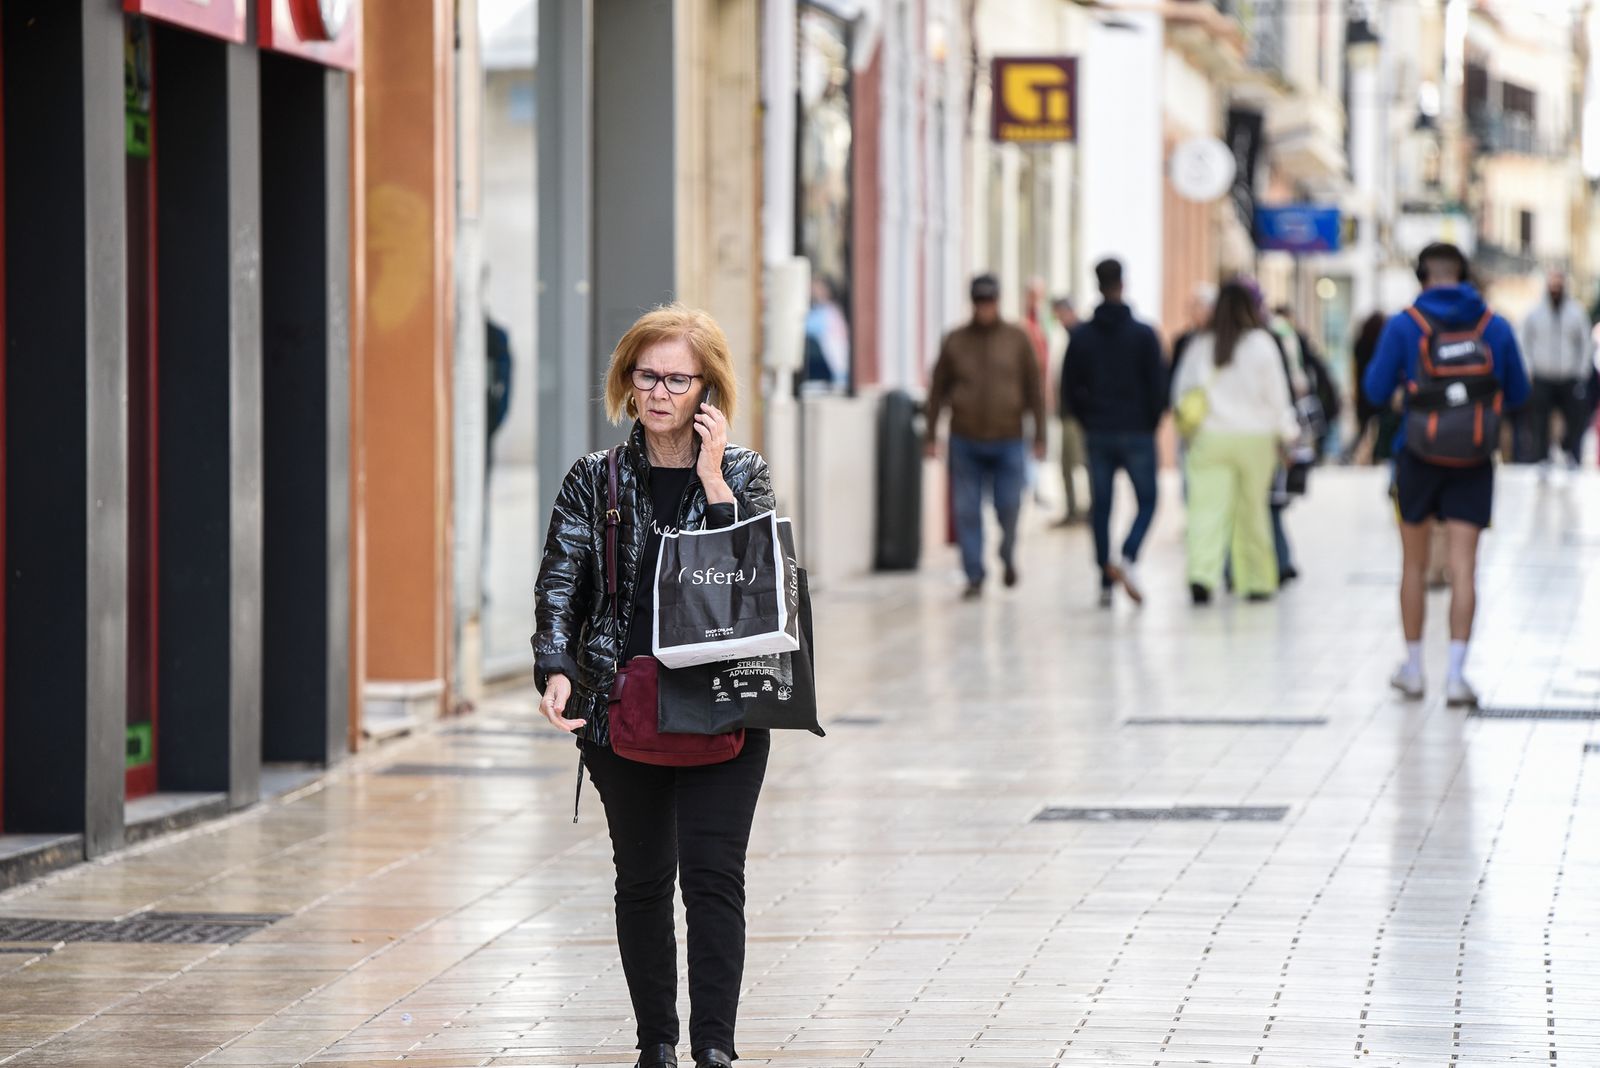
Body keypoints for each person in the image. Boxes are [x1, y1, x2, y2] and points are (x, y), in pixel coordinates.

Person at [533, 305, 776, 1068]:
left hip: (723, 705)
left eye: (677, 378)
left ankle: (714, 1048)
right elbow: (559, 584)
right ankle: (657, 1045)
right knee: (642, 881)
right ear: (628, 381)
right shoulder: (593, 478)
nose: (659, 392)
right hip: (622, 707)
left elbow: (756, 587)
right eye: (647, 376)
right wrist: (556, 666)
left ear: (707, 388)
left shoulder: (744, 474)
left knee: (713, 879)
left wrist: (712, 482)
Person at [1363, 243, 1530, 708]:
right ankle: (1457, 675)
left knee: (1413, 565)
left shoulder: (1404, 325)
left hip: (1415, 456)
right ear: (1465, 275)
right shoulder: (1493, 326)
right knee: (1464, 567)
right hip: (1474, 459)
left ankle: (1414, 669)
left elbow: (1375, 388)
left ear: (1423, 278)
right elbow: (1519, 392)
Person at [1170, 282, 1300, 603]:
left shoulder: (1202, 344)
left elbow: (1181, 392)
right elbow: (1277, 397)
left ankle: (1201, 575)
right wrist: (1288, 436)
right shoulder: (1262, 344)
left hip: (1210, 439)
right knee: (1253, 511)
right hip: (1256, 441)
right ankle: (1256, 580)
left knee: (1205, 511)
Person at [925, 273, 1048, 598]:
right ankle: (974, 574)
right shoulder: (955, 340)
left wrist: (1040, 435)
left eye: (989, 301)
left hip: (1009, 438)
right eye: (979, 302)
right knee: (967, 510)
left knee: (1009, 505)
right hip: (965, 438)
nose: (985, 308)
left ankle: (1006, 554)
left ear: (998, 301)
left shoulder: (1017, 339)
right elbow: (937, 390)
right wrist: (930, 434)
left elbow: (1034, 388)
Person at [1062, 258, 1167, 606]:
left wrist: (1088, 420)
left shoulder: (1081, 337)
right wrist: (1150, 422)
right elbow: (1159, 387)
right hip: (1136, 431)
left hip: (1100, 432)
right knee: (1148, 500)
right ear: (1123, 283)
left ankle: (1105, 579)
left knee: (1102, 508)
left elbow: (1069, 389)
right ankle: (1128, 555)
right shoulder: (1143, 335)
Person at [1519, 269, 1592, 475]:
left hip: (1569, 376)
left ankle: (1571, 454)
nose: (1555, 287)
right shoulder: (1535, 313)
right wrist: (1529, 368)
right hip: (1543, 375)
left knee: (1575, 418)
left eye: (1558, 283)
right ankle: (1542, 457)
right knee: (1539, 419)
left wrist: (1581, 370)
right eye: (1552, 283)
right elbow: (1524, 341)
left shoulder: (1576, 312)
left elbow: (1584, 342)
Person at [1050, 296, 1088, 526]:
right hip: (1068, 412)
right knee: (1066, 462)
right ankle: (1073, 508)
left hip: (1077, 414)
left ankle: (1082, 509)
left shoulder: (1081, 337)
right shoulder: (1065, 337)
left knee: (1078, 462)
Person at [1349, 311, 1389, 463]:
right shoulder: (1380, 344)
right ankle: (1372, 456)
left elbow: (1354, 370)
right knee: (1376, 427)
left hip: (1362, 391)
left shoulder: (1360, 344)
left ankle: (1358, 455)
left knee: (1363, 427)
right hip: (1375, 391)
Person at [1168, 282, 1218, 387]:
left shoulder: (1220, 340)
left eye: (1197, 306)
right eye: (1191, 306)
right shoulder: (1183, 340)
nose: (1191, 311)